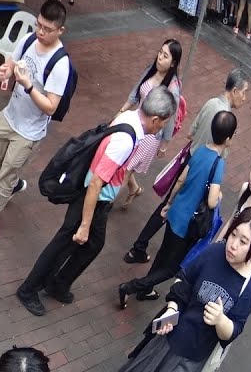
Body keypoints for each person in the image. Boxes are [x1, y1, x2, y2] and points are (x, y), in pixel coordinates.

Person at [15, 88, 174, 316]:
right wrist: (85, 225)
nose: (162, 129)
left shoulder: (129, 118)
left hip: (99, 200)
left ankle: (58, 283)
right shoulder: (125, 141)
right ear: (156, 119)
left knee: (91, 245)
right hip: (92, 200)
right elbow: (96, 183)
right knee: (64, 243)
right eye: (164, 124)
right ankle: (29, 289)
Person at [0, 0, 71, 240]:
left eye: (47, 29)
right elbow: (12, 63)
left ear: (60, 30)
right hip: (10, 115)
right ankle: (13, 184)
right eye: (39, 25)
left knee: (6, 173)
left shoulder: (60, 64)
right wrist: (5, 71)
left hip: (29, 131)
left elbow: (51, 107)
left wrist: (28, 86)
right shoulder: (29, 40)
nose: (41, 32)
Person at [125, 70, 249, 264]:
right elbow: (219, 157)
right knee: (179, 209)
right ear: (234, 91)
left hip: (189, 160)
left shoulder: (210, 103)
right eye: (244, 92)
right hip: (200, 172)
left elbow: (191, 133)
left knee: (168, 203)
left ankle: (140, 247)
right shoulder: (227, 121)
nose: (244, 97)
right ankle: (155, 254)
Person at [116, 207, 251, 372]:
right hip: (168, 336)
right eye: (233, 234)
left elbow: (234, 330)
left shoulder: (249, 284)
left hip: (191, 359)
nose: (233, 245)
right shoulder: (215, 251)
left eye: (243, 241)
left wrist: (221, 320)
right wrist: (171, 309)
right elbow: (184, 281)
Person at [118, 110, 234, 307]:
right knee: (172, 268)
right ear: (228, 138)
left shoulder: (200, 150)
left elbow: (181, 180)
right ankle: (131, 287)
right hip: (188, 223)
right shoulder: (218, 163)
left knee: (163, 253)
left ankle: (145, 289)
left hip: (176, 212)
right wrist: (220, 195)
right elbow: (212, 202)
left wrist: (169, 203)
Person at [117, 39, 184, 207]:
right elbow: (135, 92)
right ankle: (134, 189)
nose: (160, 57)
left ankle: (104, 205)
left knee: (125, 170)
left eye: (165, 56)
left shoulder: (172, 89)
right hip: (135, 123)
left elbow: (170, 120)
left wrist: (164, 145)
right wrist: (121, 111)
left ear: (173, 63)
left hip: (150, 136)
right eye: (160, 52)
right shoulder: (151, 69)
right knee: (124, 162)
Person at [212, 150, 251, 267]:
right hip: (225, 248)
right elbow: (231, 222)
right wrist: (215, 246)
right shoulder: (245, 188)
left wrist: (247, 275)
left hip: (238, 263)